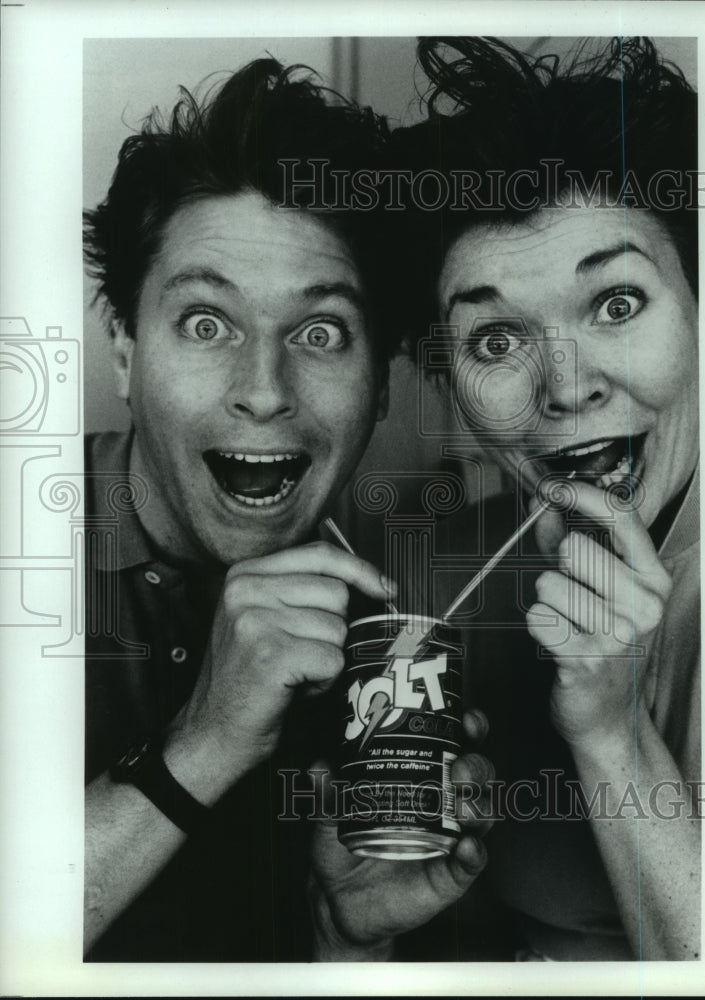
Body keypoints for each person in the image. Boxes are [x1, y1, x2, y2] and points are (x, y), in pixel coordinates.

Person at [82, 55, 492, 962]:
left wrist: (348, 942)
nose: (264, 392)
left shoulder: (392, 645)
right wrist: (209, 739)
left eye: (318, 332)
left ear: (380, 388)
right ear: (122, 351)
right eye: (204, 322)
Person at [387, 36, 701, 960]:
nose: (565, 389)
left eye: (614, 304)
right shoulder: (450, 580)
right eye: (495, 343)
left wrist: (611, 736)